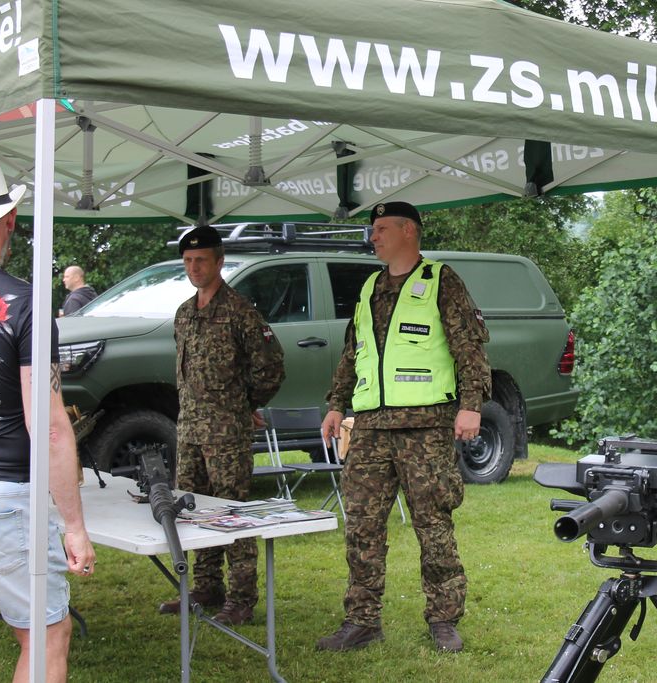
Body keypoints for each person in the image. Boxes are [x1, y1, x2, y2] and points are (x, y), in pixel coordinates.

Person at [316, 201, 491, 654]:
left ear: (407, 231)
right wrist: (336, 404)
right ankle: (361, 621)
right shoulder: (370, 287)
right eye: (372, 230)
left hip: (425, 426)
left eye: (380, 229)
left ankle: (444, 619)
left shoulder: (441, 281)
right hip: (370, 427)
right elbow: (352, 352)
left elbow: (470, 348)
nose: (372, 237)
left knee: (433, 524)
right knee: (362, 526)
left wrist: (471, 406)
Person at [0, 158, 96, 683]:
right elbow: (51, 427)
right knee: (46, 636)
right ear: (10, 218)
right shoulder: (21, 300)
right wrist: (75, 526)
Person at [157, 225, 285, 627]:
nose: (194, 268)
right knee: (193, 510)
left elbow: (271, 367)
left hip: (226, 433)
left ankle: (242, 597)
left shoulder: (240, 312)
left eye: (201, 260)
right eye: (188, 261)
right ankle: (206, 586)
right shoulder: (184, 312)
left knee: (232, 513)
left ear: (219, 262)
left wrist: (246, 404)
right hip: (190, 431)